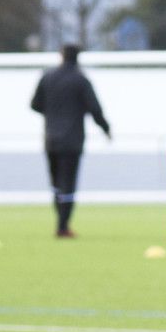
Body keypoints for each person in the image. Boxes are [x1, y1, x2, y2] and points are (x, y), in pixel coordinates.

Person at [30, 44, 110, 238]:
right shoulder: (81, 80)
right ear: (77, 58)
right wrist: (106, 129)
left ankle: (61, 223)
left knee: (56, 183)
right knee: (68, 183)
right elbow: (95, 109)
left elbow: (34, 105)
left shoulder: (47, 77)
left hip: (50, 138)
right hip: (72, 140)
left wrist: (53, 114)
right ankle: (63, 226)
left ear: (60, 56)